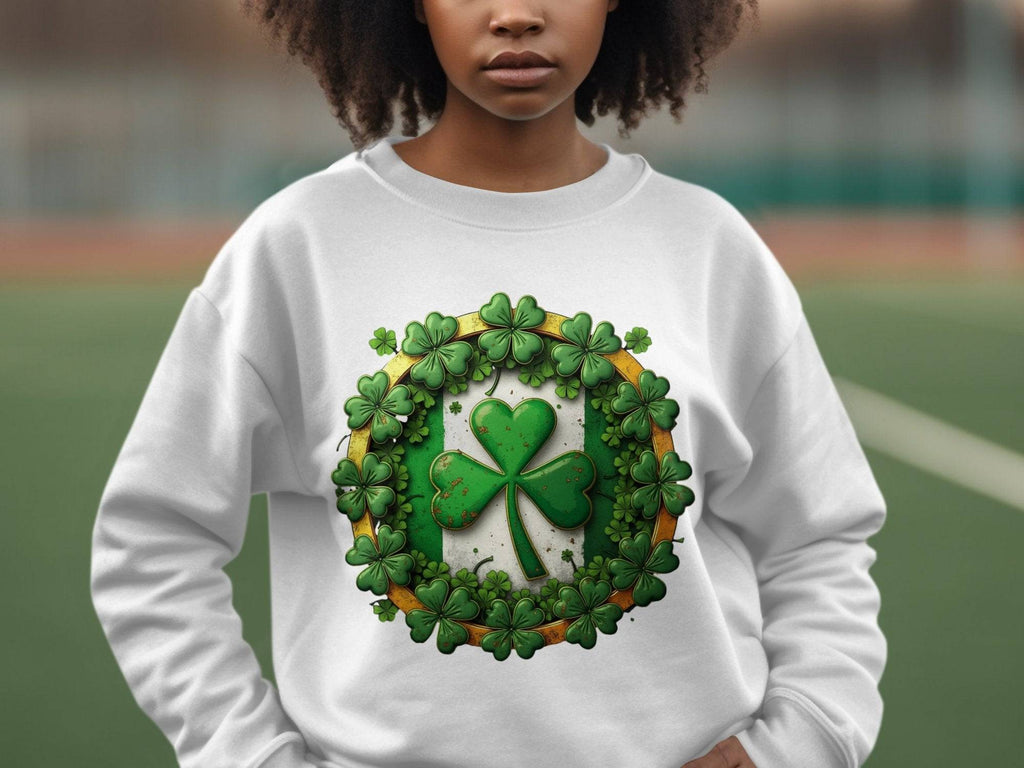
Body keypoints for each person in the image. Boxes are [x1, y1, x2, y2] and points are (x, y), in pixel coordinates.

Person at [89, 1, 887, 767]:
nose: (516, 14)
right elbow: (154, 541)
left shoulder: (710, 247)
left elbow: (819, 538)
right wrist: (249, 755)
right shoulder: (298, 247)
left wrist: (801, 741)